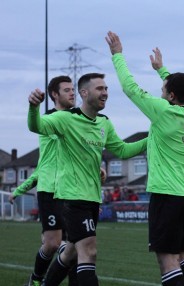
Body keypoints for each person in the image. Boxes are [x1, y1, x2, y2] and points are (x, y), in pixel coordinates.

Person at [27, 72, 148, 286]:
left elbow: (122, 150)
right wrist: (34, 107)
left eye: (106, 88)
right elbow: (36, 126)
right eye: (100, 89)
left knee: (70, 253)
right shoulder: (66, 119)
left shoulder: (104, 123)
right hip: (72, 198)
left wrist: (152, 138)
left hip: (92, 198)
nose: (105, 93)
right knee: (89, 251)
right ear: (84, 93)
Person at [106, 31, 184, 286]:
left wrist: (117, 55)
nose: (160, 92)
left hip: (167, 195)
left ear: (171, 96)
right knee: (181, 257)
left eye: (163, 89)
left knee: (167, 260)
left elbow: (130, 88)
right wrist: (162, 70)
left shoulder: (163, 111)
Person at [8, 76, 77, 286]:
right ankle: (36, 279)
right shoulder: (48, 120)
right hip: (51, 192)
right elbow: (42, 168)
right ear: (54, 95)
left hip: (74, 192)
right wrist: (19, 189)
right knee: (53, 245)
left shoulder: (78, 120)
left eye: (73, 89)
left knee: (77, 247)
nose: (72, 93)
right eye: (67, 90)